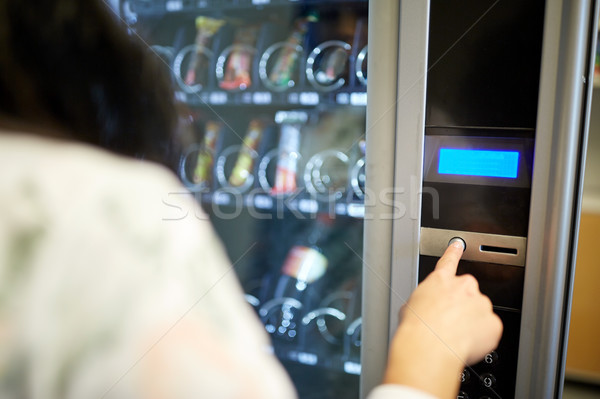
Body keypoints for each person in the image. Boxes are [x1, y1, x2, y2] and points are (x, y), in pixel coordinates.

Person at [0, 1, 502, 398]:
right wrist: (429, 352)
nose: (337, 33)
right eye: (328, 23)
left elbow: (471, 201)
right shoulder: (107, 204)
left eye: (352, 20)